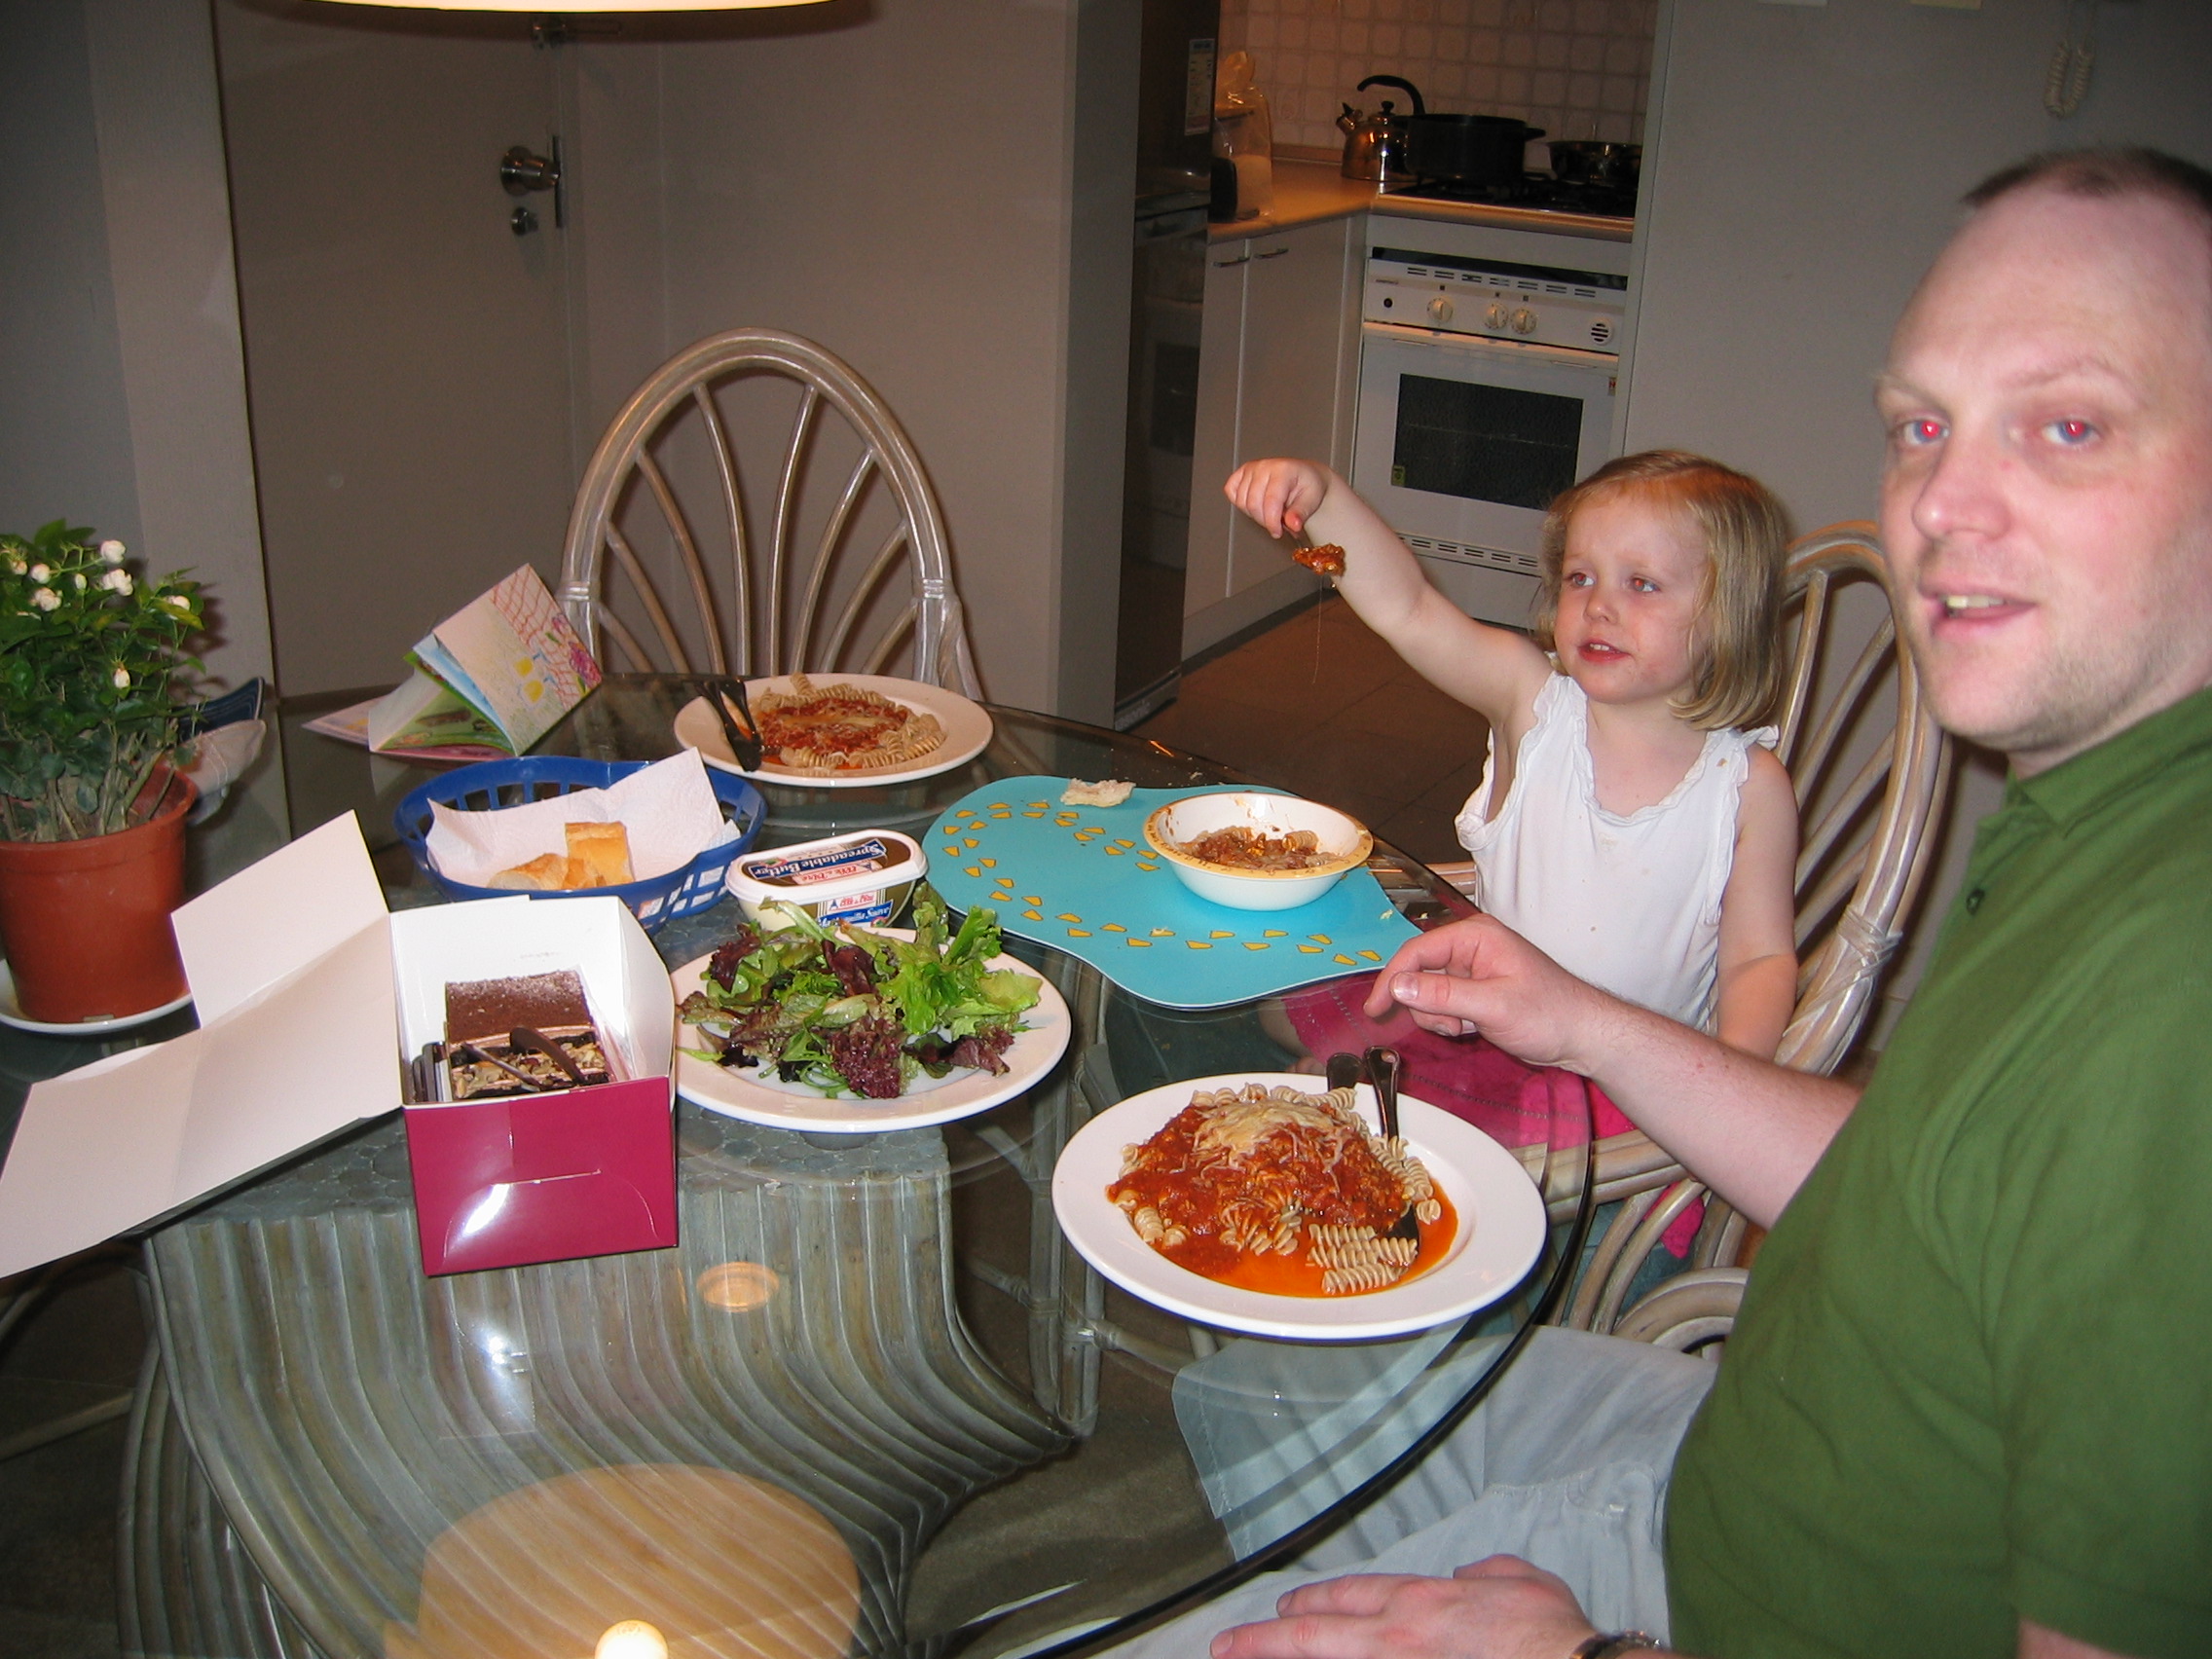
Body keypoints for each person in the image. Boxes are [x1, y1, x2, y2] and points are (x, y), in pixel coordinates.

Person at [1117, 146, 2212, 1659]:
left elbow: (1760, 963)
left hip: (1699, 1561)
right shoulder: (2081, 824)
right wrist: (1321, 510)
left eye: (2070, 424)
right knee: (1247, 1361)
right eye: (1919, 426)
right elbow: (1411, 606)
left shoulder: (2167, 990)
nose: (1943, 504)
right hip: (1720, 1422)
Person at [1228, 451, 1800, 1060]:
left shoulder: (1747, 788)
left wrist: (1731, 1072)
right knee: (1279, 1012)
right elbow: (1408, 608)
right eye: (1581, 578)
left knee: (1333, 1077)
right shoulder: (1532, 706)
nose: (1598, 606)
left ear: (1725, 615)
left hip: (1632, 1077)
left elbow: (1759, 959)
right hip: (1486, 1038)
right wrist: (1324, 497)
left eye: (1642, 583)